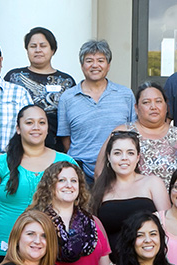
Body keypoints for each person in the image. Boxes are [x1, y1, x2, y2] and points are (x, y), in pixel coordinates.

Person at [0, 104, 76, 265]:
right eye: (29, 122)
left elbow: (78, 203)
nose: (36, 127)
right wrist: (9, 222)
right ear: (18, 128)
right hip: (6, 246)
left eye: (42, 122)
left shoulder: (66, 162)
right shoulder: (0, 164)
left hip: (51, 248)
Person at [57, 39, 136, 180]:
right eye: (89, 61)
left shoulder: (125, 94)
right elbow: (66, 139)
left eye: (100, 60)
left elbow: (133, 132)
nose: (95, 65)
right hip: (79, 171)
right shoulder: (67, 98)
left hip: (117, 170)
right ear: (82, 65)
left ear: (108, 65)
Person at [98, 81, 177, 182]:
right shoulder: (122, 133)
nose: (153, 107)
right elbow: (100, 172)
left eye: (158, 101)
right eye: (146, 102)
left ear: (166, 107)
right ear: (136, 108)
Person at [89, 130, 171, 244]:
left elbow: (167, 227)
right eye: (117, 153)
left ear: (138, 158)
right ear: (108, 157)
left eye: (130, 153)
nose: (124, 158)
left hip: (148, 257)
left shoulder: (153, 183)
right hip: (111, 260)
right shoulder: (100, 189)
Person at [4, 26, 76, 151]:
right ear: (27, 49)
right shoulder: (14, 77)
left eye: (43, 46)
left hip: (56, 147)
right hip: (20, 147)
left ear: (53, 50)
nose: (38, 50)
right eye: (33, 46)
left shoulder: (67, 81)